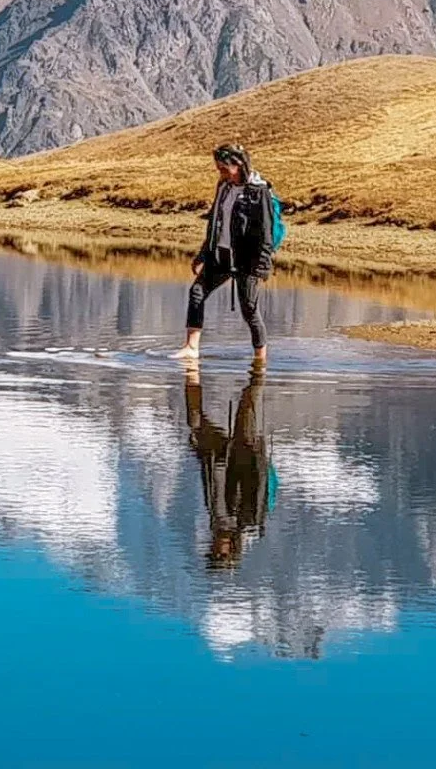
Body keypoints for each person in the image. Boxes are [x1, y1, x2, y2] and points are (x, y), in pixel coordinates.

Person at [177, 143, 275, 364]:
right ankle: (191, 347)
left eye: (223, 168)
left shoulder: (258, 192)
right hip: (220, 256)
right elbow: (215, 222)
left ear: (238, 165)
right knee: (197, 292)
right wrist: (203, 254)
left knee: (249, 310)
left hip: (245, 261)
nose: (220, 172)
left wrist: (260, 267)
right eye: (218, 168)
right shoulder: (223, 187)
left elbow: (266, 233)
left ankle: (260, 359)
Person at [184, 364, 274, 567]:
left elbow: (212, 484)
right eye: (219, 555)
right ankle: (258, 367)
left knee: (196, 420)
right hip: (246, 451)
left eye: (214, 554)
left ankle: (192, 375)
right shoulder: (250, 524)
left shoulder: (217, 522)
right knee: (249, 400)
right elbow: (258, 480)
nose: (215, 550)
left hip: (220, 456)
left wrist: (203, 455)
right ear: (231, 552)